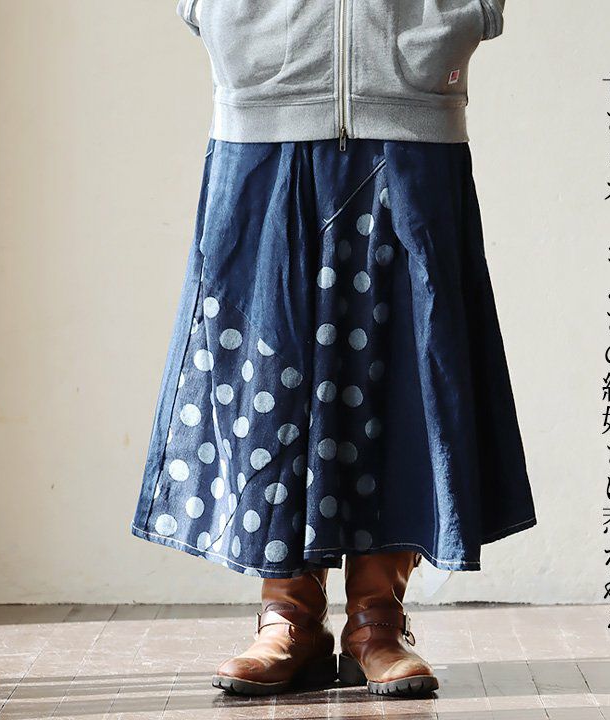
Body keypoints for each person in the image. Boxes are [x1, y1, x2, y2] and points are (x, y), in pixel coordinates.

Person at [131, 0, 536, 698]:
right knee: (267, 376)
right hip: (262, 111)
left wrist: (469, 11)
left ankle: (377, 621)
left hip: (410, 110)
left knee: (408, 376)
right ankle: (289, 617)